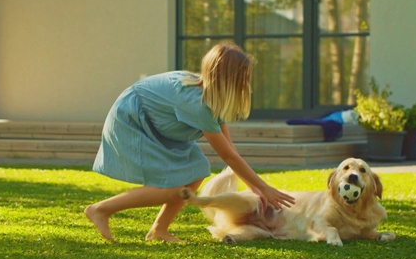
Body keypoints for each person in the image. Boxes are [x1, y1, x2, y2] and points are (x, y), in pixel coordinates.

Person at [85, 43, 295, 243]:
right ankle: (100, 209)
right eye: (244, 79)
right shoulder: (197, 104)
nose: (247, 84)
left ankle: (159, 230)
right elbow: (228, 156)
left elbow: (230, 150)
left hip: (159, 125)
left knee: (196, 173)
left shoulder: (213, 98)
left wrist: (254, 188)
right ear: (231, 80)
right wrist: (264, 188)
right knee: (171, 188)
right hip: (133, 120)